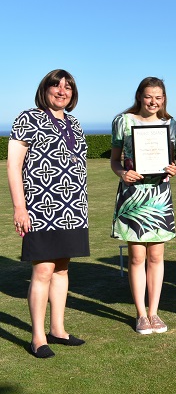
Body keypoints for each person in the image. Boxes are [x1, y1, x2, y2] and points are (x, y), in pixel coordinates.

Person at [8, 70, 89, 358]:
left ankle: (58, 329)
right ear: (45, 88)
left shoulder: (75, 122)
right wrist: (20, 208)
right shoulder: (28, 118)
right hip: (41, 209)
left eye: (68, 87)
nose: (62, 90)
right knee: (42, 270)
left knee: (63, 269)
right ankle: (38, 337)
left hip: (74, 209)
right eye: (56, 85)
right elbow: (14, 165)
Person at [110, 77, 176, 334]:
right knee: (137, 257)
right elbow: (115, 160)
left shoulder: (169, 124)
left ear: (164, 99)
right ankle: (140, 314)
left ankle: (154, 312)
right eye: (149, 96)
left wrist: (174, 167)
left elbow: (171, 162)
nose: (153, 102)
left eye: (158, 97)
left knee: (157, 256)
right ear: (139, 96)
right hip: (133, 195)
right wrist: (121, 173)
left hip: (158, 195)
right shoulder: (123, 121)